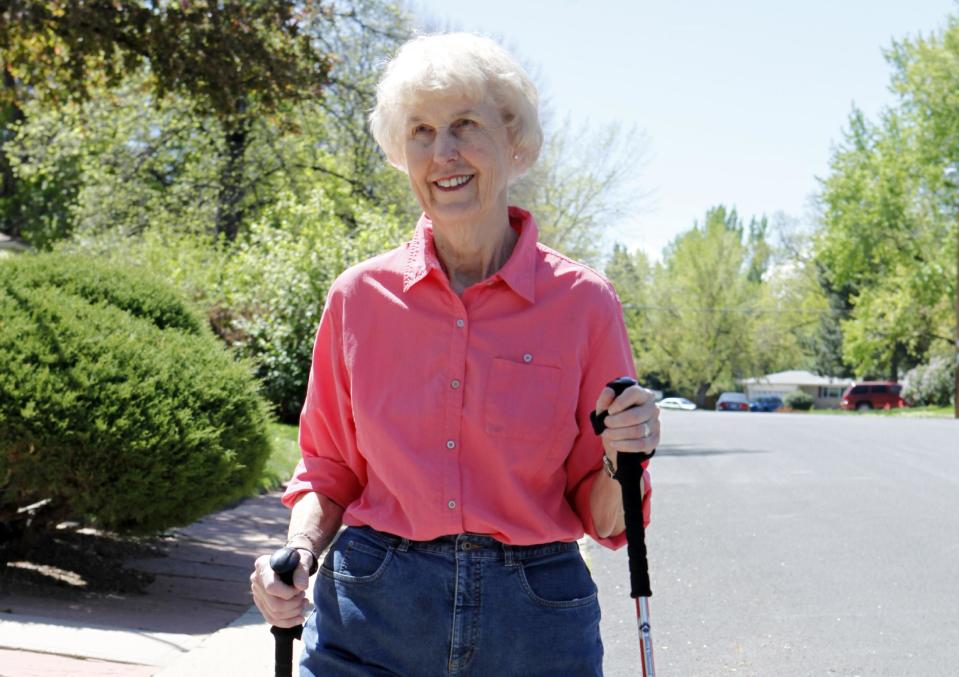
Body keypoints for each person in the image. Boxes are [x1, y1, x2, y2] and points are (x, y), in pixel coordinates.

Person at [250, 32, 658, 676]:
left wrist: (622, 457)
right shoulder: (358, 298)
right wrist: (297, 553)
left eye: (465, 125)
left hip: (534, 620)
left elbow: (605, 514)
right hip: (374, 610)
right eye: (421, 131)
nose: (443, 153)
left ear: (513, 139)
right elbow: (328, 473)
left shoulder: (584, 303)